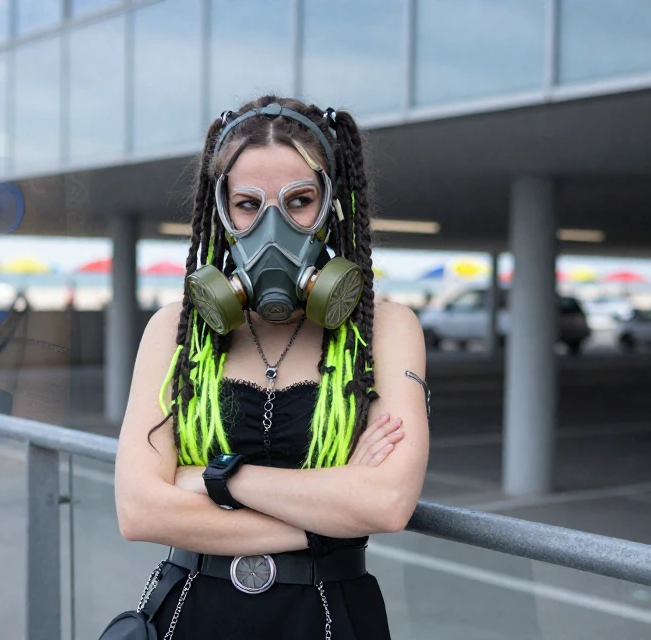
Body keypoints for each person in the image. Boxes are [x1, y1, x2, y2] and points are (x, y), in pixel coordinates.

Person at [113, 97, 429, 639]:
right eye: (247, 204)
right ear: (221, 210)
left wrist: (214, 479)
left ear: (333, 203)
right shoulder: (175, 330)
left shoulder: (384, 330)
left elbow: (387, 503)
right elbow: (140, 511)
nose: (272, 225)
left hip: (330, 621)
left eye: (299, 200)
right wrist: (331, 515)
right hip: (191, 618)